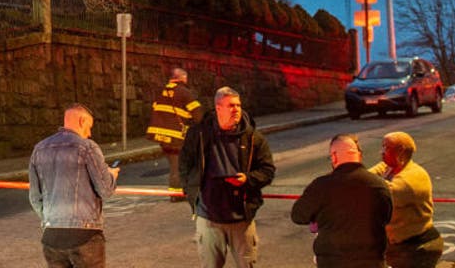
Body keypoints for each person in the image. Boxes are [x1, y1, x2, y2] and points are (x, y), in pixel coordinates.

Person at [179, 86, 276, 268]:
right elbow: (184, 165)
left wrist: (248, 179)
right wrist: (192, 194)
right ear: (218, 108)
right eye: (231, 106)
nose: (236, 110)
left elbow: (268, 170)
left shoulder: (254, 138)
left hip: (241, 218)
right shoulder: (199, 134)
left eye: (238, 105)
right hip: (208, 217)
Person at [28, 104, 119, 268]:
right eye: (89, 127)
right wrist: (111, 175)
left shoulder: (39, 149)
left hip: (52, 235)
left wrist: (50, 218)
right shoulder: (87, 147)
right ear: (82, 120)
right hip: (84, 235)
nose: (89, 133)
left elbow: (35, 197)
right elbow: (105, 190)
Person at [291, 134, 393, 268]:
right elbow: (387, 217)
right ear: (359, 155)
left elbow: (298, 215)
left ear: (334, 157)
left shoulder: (321, 186)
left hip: (333, 262)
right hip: (371, 261)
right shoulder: (379, 185)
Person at [368, 132, 445, 268]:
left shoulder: (410, 179)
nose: (382, 152)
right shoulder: (391, 167)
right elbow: (371, 174)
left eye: (386, 148)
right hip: (400, 246)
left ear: (400, 152)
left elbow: (379, 194)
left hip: (417, 248)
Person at [145, 67, 203, 201]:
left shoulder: (160, 92)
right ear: (182, 78)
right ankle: (177, 194)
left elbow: (156, 110)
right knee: (179, 163)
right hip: (175, 135)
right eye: (186, 77)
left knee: (174, 163)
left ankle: (177, 191)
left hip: (160, 136)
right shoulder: (184, 92)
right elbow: (197, 113)